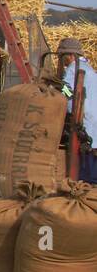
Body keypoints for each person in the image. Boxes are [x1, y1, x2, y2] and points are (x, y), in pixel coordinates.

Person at [57, 37, 97, 184]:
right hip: (94, 123)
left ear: (70, 56)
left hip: (84, 122)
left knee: (87, 173)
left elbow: (68, 95)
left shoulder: (72, 71)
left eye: (63, 57)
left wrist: (58, 91)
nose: (63, 61)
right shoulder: (91, 70)